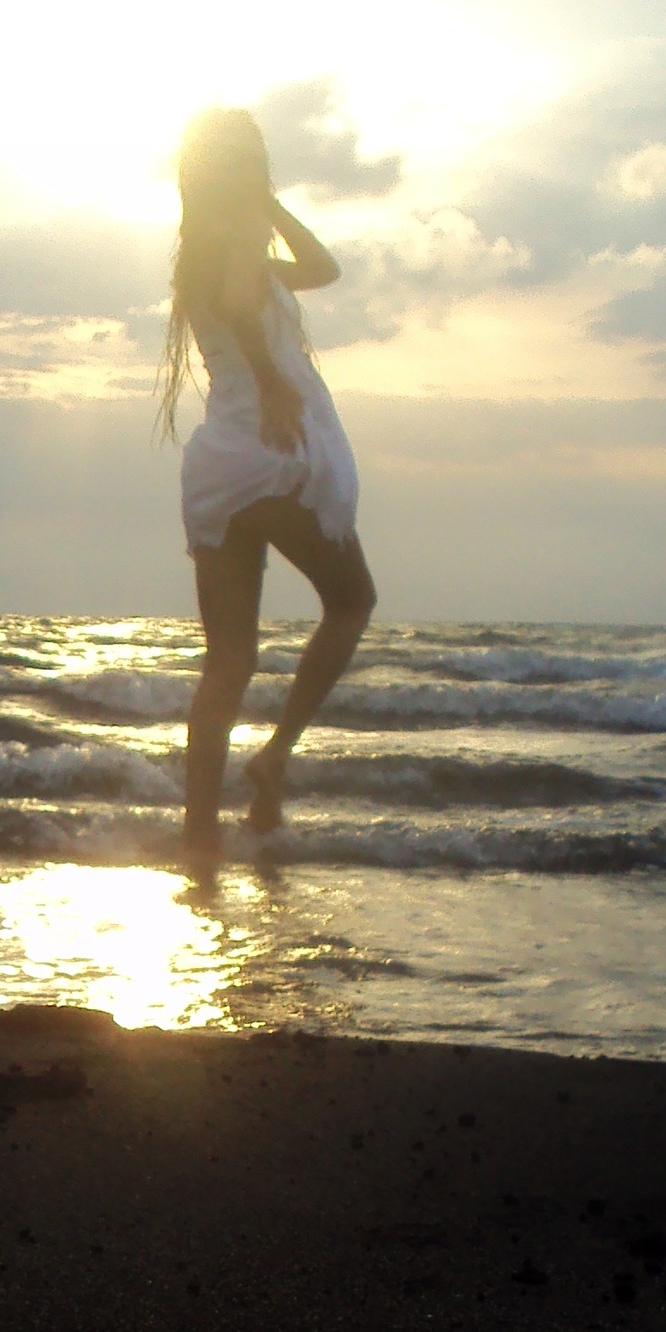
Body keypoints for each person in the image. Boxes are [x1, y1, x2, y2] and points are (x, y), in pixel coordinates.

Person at [158, 107, 376, 864]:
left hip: (221, 466)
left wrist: (268, 207)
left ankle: (198, 841)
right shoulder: (241, 240)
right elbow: (244, 304)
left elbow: (320, 269)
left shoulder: (199, 253)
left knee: (228, 663)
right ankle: (276, 755)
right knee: (352, 601)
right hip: (272, 450)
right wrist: (274, 380)